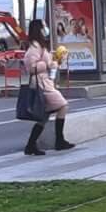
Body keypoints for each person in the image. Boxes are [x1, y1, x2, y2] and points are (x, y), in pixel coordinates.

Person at [21, 19, 71, 155]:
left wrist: (56, 61)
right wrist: (48, 64)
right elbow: (32, 67)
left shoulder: (40, 45)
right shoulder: (34, 47)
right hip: (41, 84)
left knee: (44, 115)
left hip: (45, 82)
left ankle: (31, 145)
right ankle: (59, 141)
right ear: (39, 29)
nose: (46, 29)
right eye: (44, 27)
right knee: (62, 105)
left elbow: (48, 63)